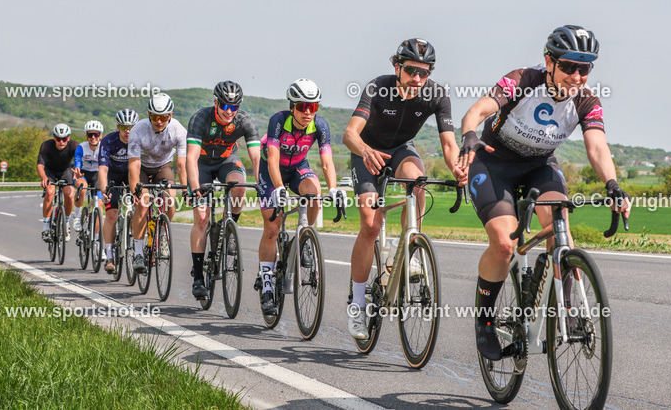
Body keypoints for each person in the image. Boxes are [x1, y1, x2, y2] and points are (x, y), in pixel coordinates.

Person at [458, 25, 631, 361]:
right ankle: (485, 320)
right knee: (505, 242)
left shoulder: (586, 101)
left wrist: (613, 184)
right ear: (549, 62)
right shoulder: (523, 81)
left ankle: (563, 311)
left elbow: (597, 147)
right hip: (494, 164)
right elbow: (476, 112)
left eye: (585, 68)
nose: (576, 76)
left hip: (539, 166)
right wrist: (467, 136)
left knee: (561, 232)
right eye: (569, 67)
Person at [343, 38, 466, 340]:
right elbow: (349, 134)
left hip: (400, 149)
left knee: (418, 180)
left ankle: (408, 250)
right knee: (371, 225)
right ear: (397, 67)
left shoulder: (436, 94)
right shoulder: (378, 87)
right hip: (367, 152)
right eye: (411, 71)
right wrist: (364, 150)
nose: (418, 79)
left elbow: (449, 144)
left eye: (424, 73)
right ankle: (358, 305)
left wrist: (459, 169)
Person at [255, 79, 338, 315]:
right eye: (303, 106)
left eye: (313, 107)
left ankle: (305, 238)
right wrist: (279, 187)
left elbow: (326, 160)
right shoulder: (278, 121)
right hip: (272, 171)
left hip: (298, 167)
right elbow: (271, 159)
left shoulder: (320, 126)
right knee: (273, 226)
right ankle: (268, 284)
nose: (308, 112)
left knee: (314, 195)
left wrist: (332, 188)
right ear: (292, 106)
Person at [186, 80, 261, 299]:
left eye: (234, 106)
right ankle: (198, 276)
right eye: (225, 106)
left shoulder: (244, 121)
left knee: (239, 189)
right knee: (201, 217)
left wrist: (261, 184)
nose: (229, 111)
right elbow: (190, 157)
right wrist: (195, 188)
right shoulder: (201, 118)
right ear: (216, 103)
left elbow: (256, 156)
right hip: (201, 164)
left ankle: (229, 228)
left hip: (227, 160)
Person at [128, 93, 187, 274]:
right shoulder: (137, 130)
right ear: (148, 114)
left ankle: (162, 236)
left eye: (163, 117)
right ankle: (138, 252)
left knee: (170, 199)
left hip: (163, 166)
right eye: (154, 117)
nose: (159, 121)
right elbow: (134, 164)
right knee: (144, 203)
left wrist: (185, 189)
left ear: (170, 115)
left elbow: (181, 163)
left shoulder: (178, 130)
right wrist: (135, 192)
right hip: (143, 168)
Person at [99, 109, 138, 274]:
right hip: (113, 177)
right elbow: (102, 169)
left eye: (131, 127)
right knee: (111, 214)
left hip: (132, 175)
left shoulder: (140, 140)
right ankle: (109, 256)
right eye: (124, 127)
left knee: (140, 208)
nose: (127, 131)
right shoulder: (109, 141)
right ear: (118, 127)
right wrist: (104, 190)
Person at [37, 123, 79, 242]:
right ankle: (46, 227)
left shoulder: (74, 145)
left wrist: (78, 173)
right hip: (49, 171)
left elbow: (79, 161)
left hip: (66, 171)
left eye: (64, 139)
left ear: (69, 138)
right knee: (50, 192)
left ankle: (66, 223)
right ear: (54, 137)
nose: (61, 141)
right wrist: (43, 177)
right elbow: (40, 165)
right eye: (58, 139)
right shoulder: (46, 145)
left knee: (70, 195)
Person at [71, 119, 103, 231]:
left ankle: (97, 241)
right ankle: (77, 217)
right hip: (83, 174)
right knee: (82, 188)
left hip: (98, 175)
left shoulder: (103, 148)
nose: (93, 137)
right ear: (86, 136)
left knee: (99, 206)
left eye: (96, 134)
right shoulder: (81, 147)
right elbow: (77, 163)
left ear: (100, 135)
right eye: (90, 135)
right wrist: (77, 171)